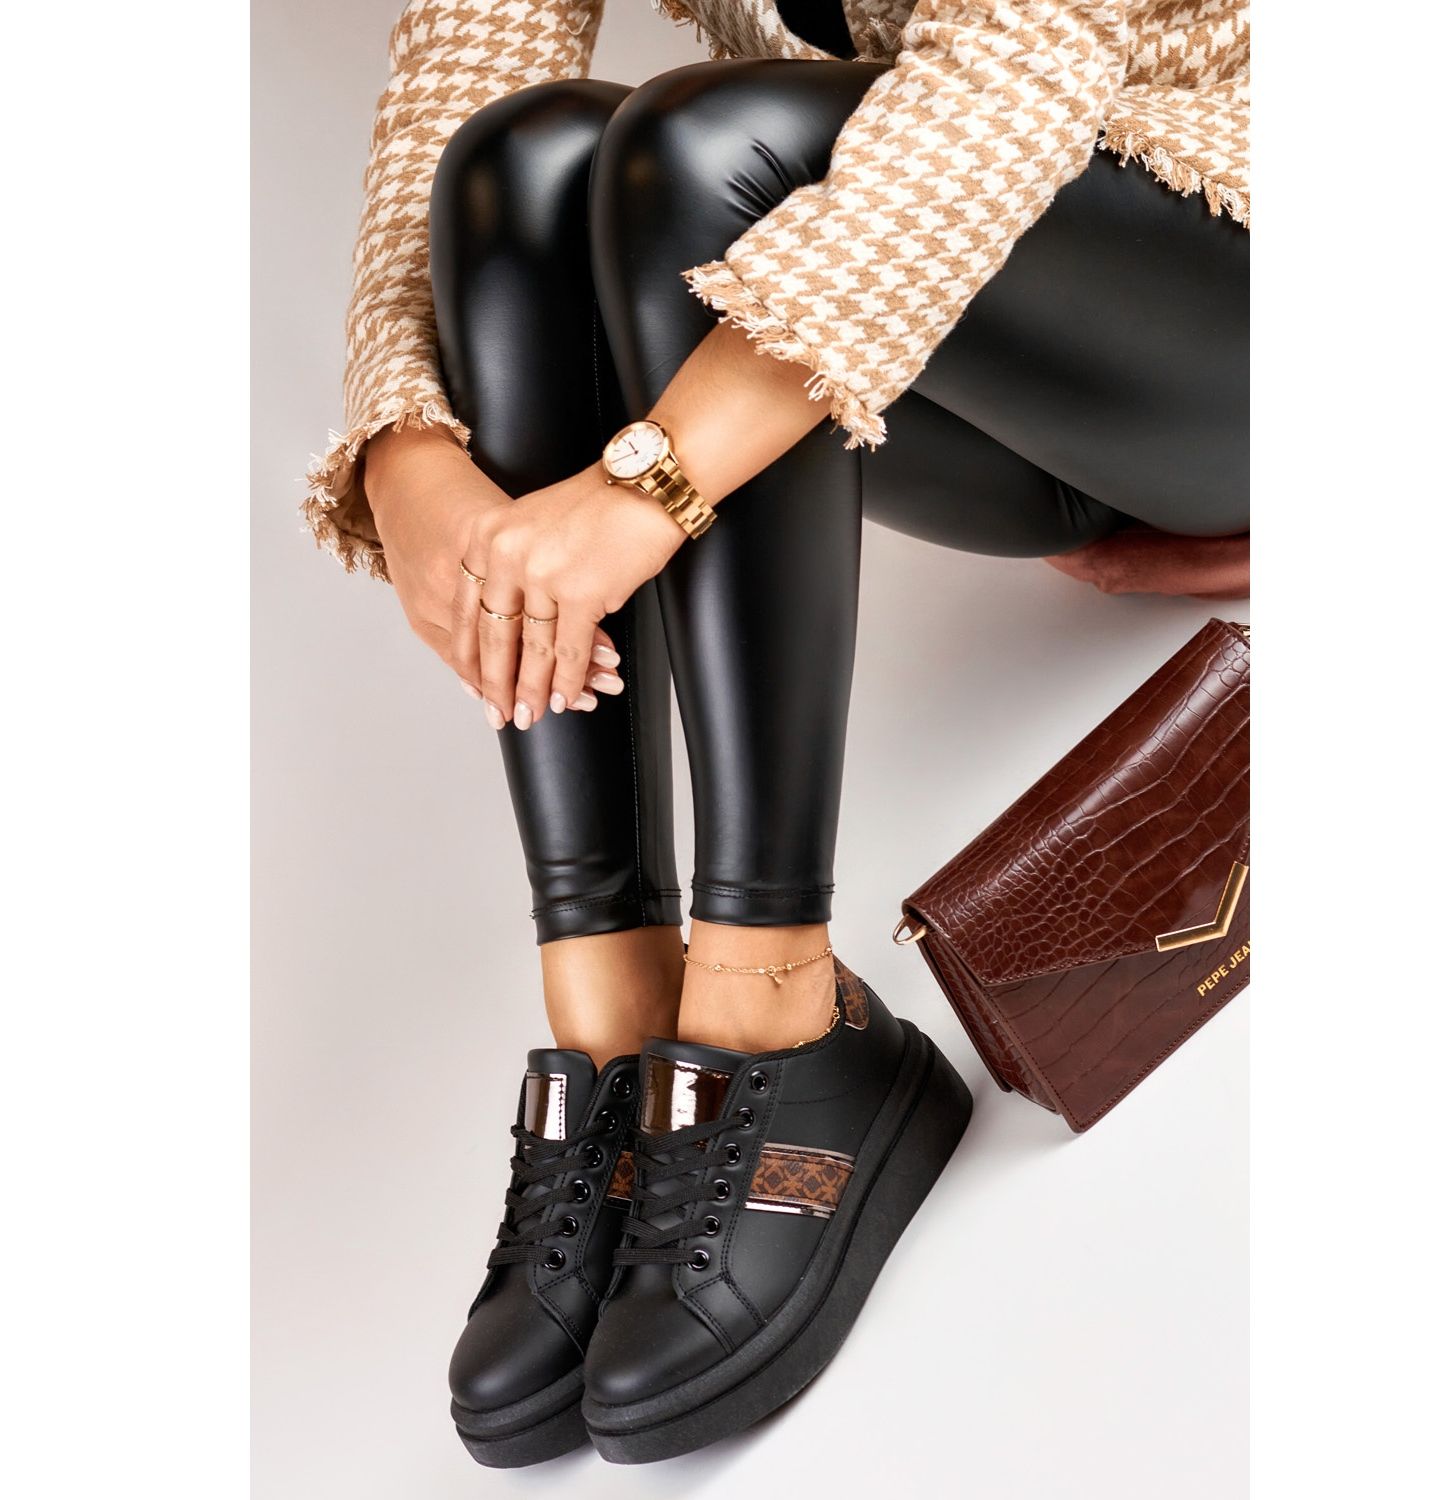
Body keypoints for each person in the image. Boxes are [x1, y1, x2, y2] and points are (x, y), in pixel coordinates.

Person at [303, 0, 1249, 1468]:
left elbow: (1014, 70)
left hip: (1240, 285)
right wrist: (407, 452)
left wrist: (651, 488)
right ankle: (618, 1022)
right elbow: (469, 57)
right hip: (963, 336)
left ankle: (778, 1008)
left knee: (712, 144)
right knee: (525, 163)